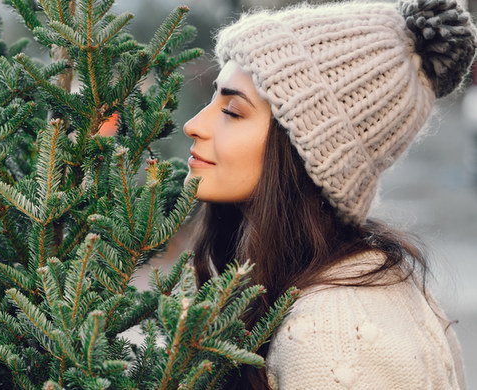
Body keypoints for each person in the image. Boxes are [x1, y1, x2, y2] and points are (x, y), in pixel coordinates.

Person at [182, 0, 476, 388]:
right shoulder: (318, 282)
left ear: (303, 151)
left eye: (233, 111)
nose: (192, 125)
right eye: (212, 100)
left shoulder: (334, 334)